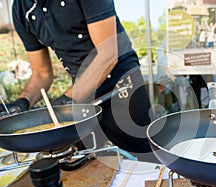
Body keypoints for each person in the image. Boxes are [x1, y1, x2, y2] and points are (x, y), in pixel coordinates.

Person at [0, 0, 154, 160]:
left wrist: (68, 99)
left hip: (121, 86)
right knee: (94, 163)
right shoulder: (20, 9)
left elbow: (108, 54)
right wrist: (22, 102)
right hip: (82, 92)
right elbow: (42, 73)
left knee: (142, 158)